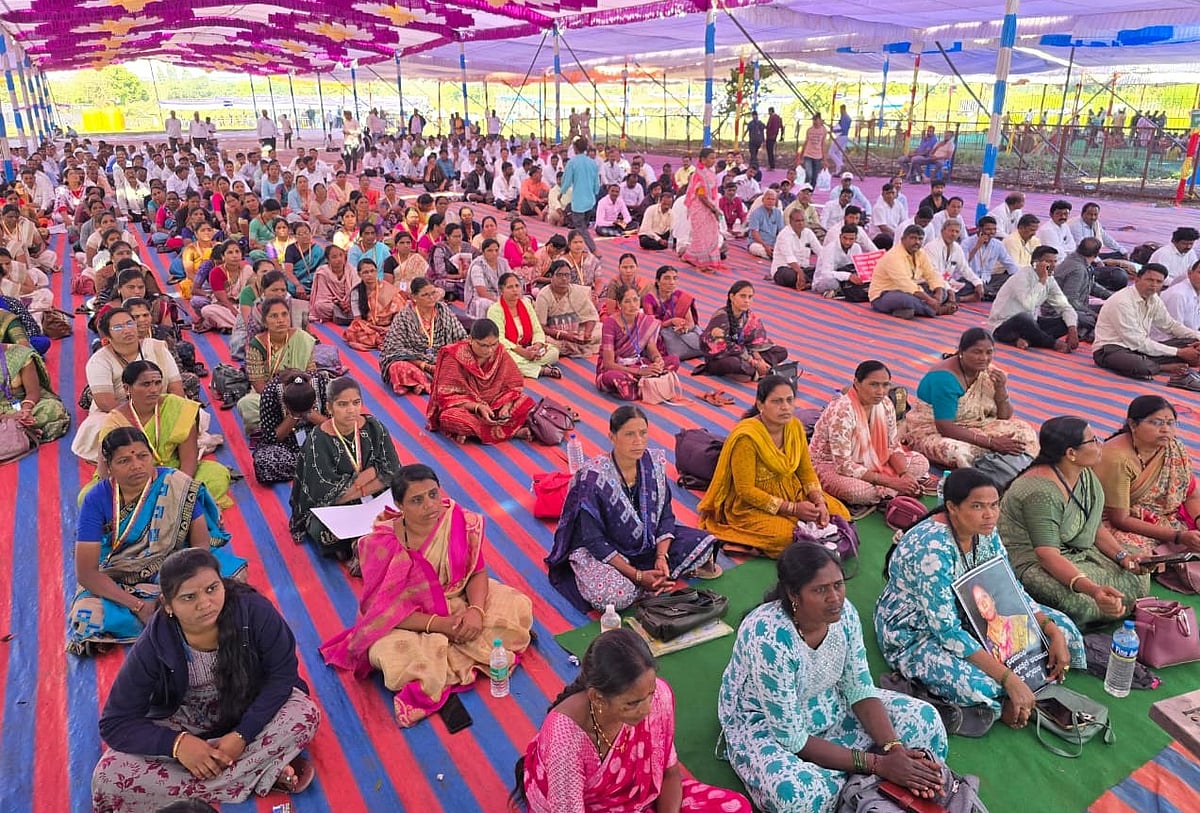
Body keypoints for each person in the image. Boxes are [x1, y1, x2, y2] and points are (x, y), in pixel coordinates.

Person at [720, 544, 948, 813]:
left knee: (925, 720)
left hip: (829, 700)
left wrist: (894, 749)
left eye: (838, 585)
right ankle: (871, 783)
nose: (834, 598)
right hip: (768, 722)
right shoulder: (768, 638)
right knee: (796, 795)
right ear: (793, 594)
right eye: (820, 590)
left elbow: (859, 688)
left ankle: (860, 786)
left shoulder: (845, 614)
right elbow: (793, 739)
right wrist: (879, 764)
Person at [91, 549, 318, 812]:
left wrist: (242, 735)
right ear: (168, 605)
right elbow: (115, 723)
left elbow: (282, 675)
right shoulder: (154, 644)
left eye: (212, 589)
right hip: (186, 720)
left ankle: (220, 775)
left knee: (304, 713)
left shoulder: (253, 611)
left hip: (249, 706)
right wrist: (178, 745)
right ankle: (259, 771)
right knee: (109, 777)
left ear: (223, 584)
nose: (205, 603)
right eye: (189, 597)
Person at [320, 464, 533, 726]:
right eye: (417, 500)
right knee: (387, 653)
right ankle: (457, 654)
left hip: (458, 599)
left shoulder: (458, 521)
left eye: (433, 494)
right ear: (399, 505)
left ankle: (456, 649)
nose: (430, 505)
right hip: (410, 617)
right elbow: (384, 610)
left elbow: (477, 572)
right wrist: (440, 625)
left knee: (516, 604)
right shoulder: (381, 543)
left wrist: (476, 612)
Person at [874, 468, 1086, 728]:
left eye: (994, 505)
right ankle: (1001, 699)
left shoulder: (985, 531)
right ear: (952, 507)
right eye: (977, 506)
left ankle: (1019, 688)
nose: (990, 515)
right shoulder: (931, 550)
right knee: (982, 685)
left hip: (978, 613)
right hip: (917, 631)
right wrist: (1008, 678)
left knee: (1065, 630)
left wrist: (1051, 632)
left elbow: (1010, 588)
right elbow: (947, 631)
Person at [515, 628, 752, 813]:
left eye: (649, 694)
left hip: (644, 800)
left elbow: (669, 774)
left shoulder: (658, 697)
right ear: (597, 698)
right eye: (632, 703)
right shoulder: (565, 739)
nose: (647, 709)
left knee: (737, 807)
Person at [68, 428, 246, 656]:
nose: (136, 465)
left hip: (175, 564)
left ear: (152, 456)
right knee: (87, 614)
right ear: (109, 467)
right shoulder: (96, 499)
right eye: (124, 460)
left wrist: (175, 588)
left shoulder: (176, 484)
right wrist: (137, 605)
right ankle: (177, 615)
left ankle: (166, 614)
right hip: (119, 572)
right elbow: (86, 573)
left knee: (231, 575)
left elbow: (200, 546)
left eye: (143, 456)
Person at [548, 406, 720, 610]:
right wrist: (637, 576)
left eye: (643, 433)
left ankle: (653, 578)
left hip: (647, 544)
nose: (638, 441)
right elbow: (593, 540)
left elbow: (665, 516)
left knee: (705, 544)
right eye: (629, 434)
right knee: (613, 597)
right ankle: (645, 582)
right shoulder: (592, 477)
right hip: (606, 552)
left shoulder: (653, 464)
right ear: (612, 437)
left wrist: (661, 557)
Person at [999, 417, 1150, 626]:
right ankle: (1098, 610)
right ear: (1071, 453)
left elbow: (1094, 527)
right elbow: (1047, 556)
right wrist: (1094, 591)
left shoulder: (1084, 474)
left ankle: (1107, 608)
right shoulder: (1041, 492)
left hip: (1073, 551)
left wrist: (1123, 557)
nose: (1100, 445)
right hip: (1035, 562)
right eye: (1093, 441)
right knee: (1075, 600)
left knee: (1137, 572)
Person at [699, 375, 850, 557]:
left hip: (792, 490)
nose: (785, 407)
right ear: (760, 405)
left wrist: (819, 501)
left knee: (839, 513)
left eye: (789, 400)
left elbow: (805, 471)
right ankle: (748, 543)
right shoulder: (747, 438)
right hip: (752, 504)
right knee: (786, 536)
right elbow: (745, 490)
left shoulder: (795, 427)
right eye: (777, 401)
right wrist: (792, 509)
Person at [289, 377, 400, 560]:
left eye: (356, 403)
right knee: (322, 531)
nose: (351, 410)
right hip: (337, 507)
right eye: (342, 404)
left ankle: (359, 543)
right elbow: (326, 495)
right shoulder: (318, 440)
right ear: (329, 407)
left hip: (376, 497)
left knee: (408, 501)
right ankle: (369, 541)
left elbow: (392, 471)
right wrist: (372, 474)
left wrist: (366, 479)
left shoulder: (374, 427)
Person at [95, 362, 231, 509]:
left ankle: (168, 507)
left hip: (174, 473)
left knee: (217, 475)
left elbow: (189, 460)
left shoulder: (177, 407)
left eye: (157, 383)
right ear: (127, 388)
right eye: (146, 384)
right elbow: (105, 471)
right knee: (89, 497)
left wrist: (176, 489)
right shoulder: (115, 421)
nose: (154, 389)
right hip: (133, 480)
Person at [902, 328, 1038, 470]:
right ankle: (993, 468)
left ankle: (1002, 463)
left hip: (978, 425)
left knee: (1024, 430)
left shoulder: (988, 372)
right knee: (958, 451)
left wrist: (1001, 389)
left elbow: (1004, 416)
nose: (984, 358)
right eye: (977, 352)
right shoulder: (944, 378)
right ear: (961, 351)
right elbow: (944, 427)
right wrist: (991, 443)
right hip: (934, 431)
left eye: (989, 352)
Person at [72, 308, 186, 463]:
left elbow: (176, 387)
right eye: (118, 327)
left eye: (129, 323)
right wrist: (140, 418)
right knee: (103, 428)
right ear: (107, 335)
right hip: (120, 412)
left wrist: (170, 412)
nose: (126, 330)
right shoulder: (99, 360)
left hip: (160, 407)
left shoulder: (156, 348)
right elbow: (105, 402)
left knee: (189, 416)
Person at [811, 361, 929, 509]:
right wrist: (891, 482)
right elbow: (843, 465)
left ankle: (889, 490)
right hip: (831, 464)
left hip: (875, 459)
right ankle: (892, 490)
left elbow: (892, 446)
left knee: (921, 463)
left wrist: (904, 474)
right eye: (874, 385)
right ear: (857, 383)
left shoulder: (885, 404)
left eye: (885, 385)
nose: (880, 391)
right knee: (857, 492)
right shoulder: (842, 411)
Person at [1097, 395, 1200, 556]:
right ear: (1133, 424)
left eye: (1170, 423)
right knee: (1137, 557)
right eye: (1156, 423)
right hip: (1122, 525)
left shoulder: (1173, 448)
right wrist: (1178, 537)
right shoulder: (1117, 458)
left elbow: (1191, 495)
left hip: (1167, 521)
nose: (1165, 429)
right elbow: (1119, 519)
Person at [427, 319, 536, 445]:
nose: (490, 350)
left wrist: (506, 407)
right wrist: (478, 407)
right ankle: (511, 432)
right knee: (450, 418)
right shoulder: (453, 356)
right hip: (467, 408)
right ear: (470, 339)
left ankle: (479, 432)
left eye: (494, 344)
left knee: (527, 402)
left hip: (495, 405)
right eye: (484, 345)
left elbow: (513, 385)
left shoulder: (499, 352)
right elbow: (446, 396)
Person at [1092, 263, 1200, 387]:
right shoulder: (1122, 301)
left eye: (1158, 282)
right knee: (1140, 365)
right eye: (1149, 280)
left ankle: (1152, 363)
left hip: (1141, 349)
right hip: (1112, 349)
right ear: (1137, 279)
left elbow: (1170, 325)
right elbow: (1136, 342)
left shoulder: (1154, 299)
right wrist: (1179, 352)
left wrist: (1197, 338)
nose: (1154, 285)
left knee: (1193, 342)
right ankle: (1161, 367)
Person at [237, 297, 317, 433]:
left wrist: (300, 397)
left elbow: (311, 374)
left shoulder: (302, 339)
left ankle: (288, 420)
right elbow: (258, 385)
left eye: (284, 314)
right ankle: (298, 418)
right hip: (271, 397)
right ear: (264, 321)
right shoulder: (257, 345)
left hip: (301, 393)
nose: (280, 320)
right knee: (246, 404)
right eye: (274, 316)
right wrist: (284, 400)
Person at [380, 277, 468, 396]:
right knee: (397, 367)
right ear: (414, 297)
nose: (431, 298)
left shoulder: (443, 310)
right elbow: (394, 349)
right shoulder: (405, 316)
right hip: (415, 362)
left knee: (466, 361)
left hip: (442, 360)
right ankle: (426, 382)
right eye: (425, 295)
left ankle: (418, 382)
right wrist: (425, 366)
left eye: (433, 293)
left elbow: (461, 337)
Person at [986, 245, 1080, 353]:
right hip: (1005, 324)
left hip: (1031, 325)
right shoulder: (1022, 277)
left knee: (1069, 320)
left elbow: (1065, 307)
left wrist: (1072, 329)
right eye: (1048, 262)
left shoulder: (1050, 280)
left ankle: (1027, 340)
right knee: (1024, 318)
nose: (1053, 266)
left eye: (1055, 261)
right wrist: (1042, 281)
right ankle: (1051, 343)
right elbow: (1029, 304)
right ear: (1035, 263)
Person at [595, 285, 680, 401]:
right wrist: (639, 372)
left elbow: (652, 349)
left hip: (639, 363)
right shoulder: (610, 323)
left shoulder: (646, 320)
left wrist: (658, 361)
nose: (633, 305)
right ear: (619, 305)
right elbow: (608, 364)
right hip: (618, 368)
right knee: (613, 377)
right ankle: (648, 384)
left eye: (635, 300)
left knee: (674, 360)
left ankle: (641, 385)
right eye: (627, 301)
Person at [252, 370, 327, 485]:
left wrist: (309, 414)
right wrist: (293, 416)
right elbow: (271, 438)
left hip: (320, 441)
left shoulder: (320, 383)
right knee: (263, 462)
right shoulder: (270, 393)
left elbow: (335, 426)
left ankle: (312, 466)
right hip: (288, 446)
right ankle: (318, 467)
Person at [699, 281, 787, 379]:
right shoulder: (721, 316)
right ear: (732, 297)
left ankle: (755, 370)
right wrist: (752, 361)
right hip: (721, 357)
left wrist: (759, 359)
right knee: (734, 363)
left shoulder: (749, 317)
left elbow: (754, 342)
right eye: (743, 296)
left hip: (745, 353)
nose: (747, 301)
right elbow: (724, 346)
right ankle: (756, 370)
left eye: (750, 297)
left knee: (781, 352)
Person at [869, 226, 956, 319]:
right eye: (913, 238)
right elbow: (906, 284)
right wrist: (929, 300)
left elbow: (931, 274)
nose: (917, 242)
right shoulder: (894, 256)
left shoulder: (921, 253)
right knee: (905, 300)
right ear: (903, 239)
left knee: (943, 292)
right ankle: (936, 310)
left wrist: (938, 294)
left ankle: (909, 310)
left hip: (910, 291)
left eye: (920, 239)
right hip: (884, 295)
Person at [0, 338, 69, 445]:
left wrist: (25, 411)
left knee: (52, 407)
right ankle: (23, 432)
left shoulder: (20, 354)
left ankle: (19, 430)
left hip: (20, 404)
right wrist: (7, 417)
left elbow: (33, 392)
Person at [534, 259, 602, 359]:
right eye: (560, 275)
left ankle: (575, 345)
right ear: (551, 276)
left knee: (602, 330)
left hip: (577, 330)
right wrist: (563, 335)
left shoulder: (577, 291)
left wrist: (587, 334)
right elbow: (541, 326)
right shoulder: (543, 295)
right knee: (545, 341)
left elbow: (591, 315)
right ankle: (572, 346)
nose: (564, 278)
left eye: (567, 275)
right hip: (555, 335)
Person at [641, 264, 703, 361]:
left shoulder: (681, 297)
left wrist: (684, 328)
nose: (672, 282)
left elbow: (691, 323)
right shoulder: (649, 299)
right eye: (667, 278)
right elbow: (650, 326)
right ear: (657, 281)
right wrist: (671, 322)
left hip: (680, 333)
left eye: (675, 278)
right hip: (659, 334)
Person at [682, 148, 724, 273]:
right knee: (700, 235)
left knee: (710, 233)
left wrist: (714, 208)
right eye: (711, 158)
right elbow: (701, 196)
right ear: (703, 160)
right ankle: (700, 261)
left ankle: (697, 257)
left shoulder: (710, 172)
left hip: (710, 207)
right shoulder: (699, 174)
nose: (714, 160)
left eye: (715, 158)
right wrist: (713, 209)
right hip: (700, 208)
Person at [308, 244, 359, 325]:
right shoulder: (323, 273)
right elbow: (323, 296)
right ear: (328, 260)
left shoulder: (351, 270)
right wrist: (339, 303)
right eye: (334, 257)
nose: (339, 259)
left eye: (341, 255)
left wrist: (348, 303)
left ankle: (340, 316)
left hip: (349, 304)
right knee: (319, 306)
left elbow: (356, 291)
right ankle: (344, 316)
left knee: (361, 304)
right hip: (333, 304)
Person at [465, 237, 510, 320]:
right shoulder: (477, 266)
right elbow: (481, 292)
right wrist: (498, 301)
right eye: (490, 251)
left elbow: (511, 280)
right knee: (487, 304)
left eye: (496, 250)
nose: (494, 253)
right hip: (481, 298)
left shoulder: (503, 262)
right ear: (483, 252)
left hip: (502, 295)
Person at [798, 113, 829, 186]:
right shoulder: (809, 130)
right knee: (809, 174)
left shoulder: (823, 131)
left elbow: (823, 145)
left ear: (820, 120)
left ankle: (811, 190)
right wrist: (801, 156)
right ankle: (805, 188)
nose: (814, 122)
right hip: (808, 154)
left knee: (814, 176)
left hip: (818, 156)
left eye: (816, 120)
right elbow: (806, 142)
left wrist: (825, 159)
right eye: (813, 120)